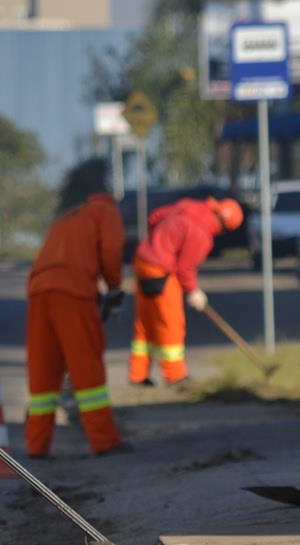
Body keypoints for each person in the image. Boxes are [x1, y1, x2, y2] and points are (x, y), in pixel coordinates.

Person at [24, 158, 125, 457]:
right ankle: (104, 441)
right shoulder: (104, 211)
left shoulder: (65, 216)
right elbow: (111, 249)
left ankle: (36, 445)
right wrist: (115, 287)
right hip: (75, 293)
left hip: (40, 291)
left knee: (43, 370)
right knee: (86, 369)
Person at [128, 196, 243, 386]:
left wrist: (157, 242)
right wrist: (193, 292)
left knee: (145, 320)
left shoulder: (190, 205)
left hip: (142, 260)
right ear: (226, 228)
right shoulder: (202, 235)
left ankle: (137, 374)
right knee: (171, 322)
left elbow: (155, 216)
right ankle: (175, 375)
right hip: (163, 269)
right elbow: (185, 269)